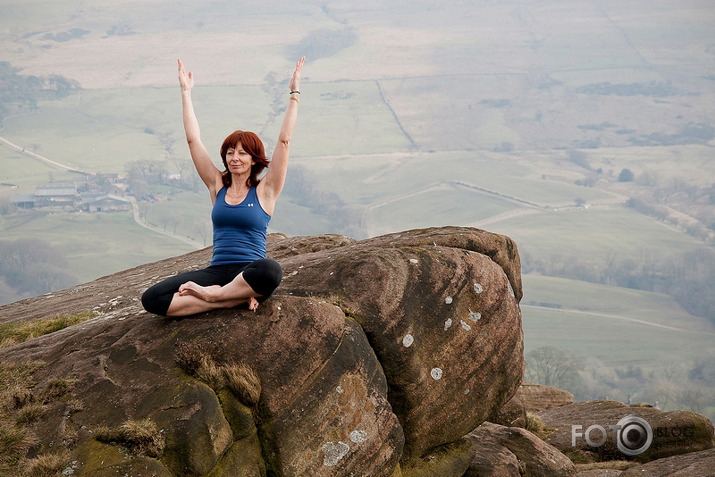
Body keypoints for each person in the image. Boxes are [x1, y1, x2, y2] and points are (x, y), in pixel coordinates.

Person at [141, 57, 305, 317]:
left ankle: (214, 295)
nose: (235, 158)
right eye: (230, 152)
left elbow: (284, 141)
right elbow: (193, 140)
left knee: (271, 271)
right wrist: (186, 92)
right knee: (152, 299)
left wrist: (294, 93)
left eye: (242, 153)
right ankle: (230, 300)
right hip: (216, 271)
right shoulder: (217, 185)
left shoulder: (265, 190)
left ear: (254, 159)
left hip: (249, 273)